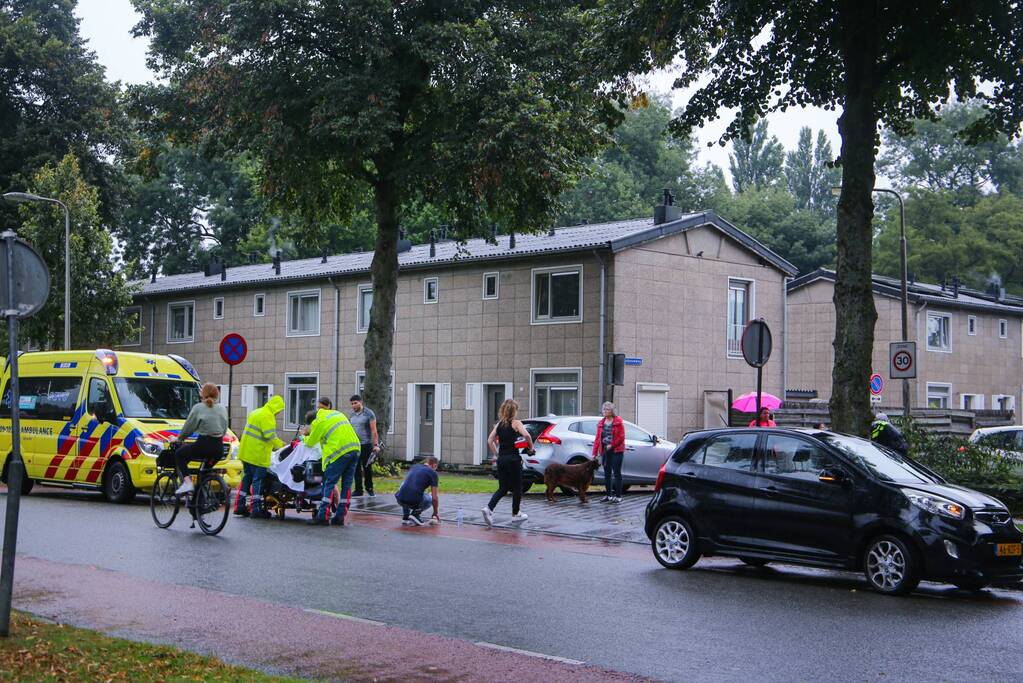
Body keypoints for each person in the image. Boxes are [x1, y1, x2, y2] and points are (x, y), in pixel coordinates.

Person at [304, 404, 361, 526]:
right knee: (347, 484)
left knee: (328, 483)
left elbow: (310, 442)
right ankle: (340, 517)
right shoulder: (336, 413)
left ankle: (323, 516)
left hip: (339, 453)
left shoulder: (318, 422)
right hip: (355, 448)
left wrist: (305, 437)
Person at [481, 399, 533, 526]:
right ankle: (516, 514)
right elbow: (527, 436)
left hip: (502, 460)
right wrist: (531, 448)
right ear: (514, 411)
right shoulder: (516, 423)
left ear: (503, 410)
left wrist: (497, 454)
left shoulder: (499, 425)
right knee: (517, 487)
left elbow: (489, 440)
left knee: (503, 487)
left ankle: (489, 509)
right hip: (513, 460)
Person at [235, 394, 286, 519]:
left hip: (246, 452)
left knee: (247, 478)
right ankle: (256, 509)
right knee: (258, 481)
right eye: (279, 410)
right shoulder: (268, 416)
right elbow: (270, 436)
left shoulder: (256, 412)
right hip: (257, 454)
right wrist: (282, 445)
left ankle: (239, 506)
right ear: (276, 408)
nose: (279, 413)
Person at [173, 383, 228, 495]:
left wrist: (179, 438)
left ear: (203, 394)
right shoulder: (222, 408)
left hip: (204, 445)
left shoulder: (198, 408)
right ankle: (199, 503)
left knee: (179, 454)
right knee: (203, 473)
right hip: (218, 448)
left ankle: (187, 483)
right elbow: (224, 428)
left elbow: (189, 427)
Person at [593, 401, 626, 503]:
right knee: (607, 473)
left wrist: (612, 445)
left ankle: (618, 496)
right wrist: (594, 453)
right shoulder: (601, 423)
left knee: (616, 473)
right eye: (604, 409)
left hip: (616, 450)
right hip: (605, 451)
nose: (605, 411)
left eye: (607, 409)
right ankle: (608, 495)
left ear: (612, 411)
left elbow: (621, 437)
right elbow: (598, 438)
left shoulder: (618, 421)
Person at [395, 455, 440, 526]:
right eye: (436, 467)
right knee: (430, 498)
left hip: (400, 498)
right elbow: (435, 498)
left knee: (407, 490)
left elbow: (406, 485)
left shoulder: (415, 467)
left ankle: (406, 517)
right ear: (434, 465)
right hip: (413, 500)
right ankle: (415, 514)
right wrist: (435, 513)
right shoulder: (433, 473)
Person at [349, 394, 380, 498]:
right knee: (355, 468)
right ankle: (358, 490)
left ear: (361, 402)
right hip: (355, 445)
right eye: (352, 404)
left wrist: (375, 445)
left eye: (355, 403)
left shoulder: (369, 413)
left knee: (367, 467)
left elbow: (374, 431)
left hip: (366, 444)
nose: (353, 405)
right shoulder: (351, 415)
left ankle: (369, 488)